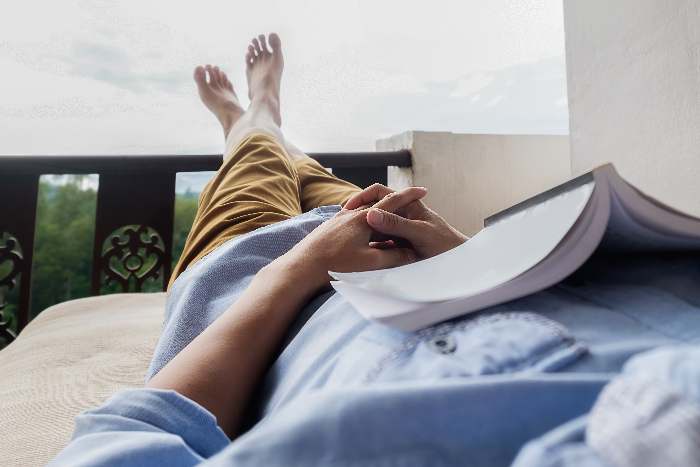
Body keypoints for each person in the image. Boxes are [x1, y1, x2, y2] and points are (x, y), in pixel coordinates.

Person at [49, 34, 700, 467]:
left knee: (255, 165)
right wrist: (475, 258)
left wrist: (298, 268)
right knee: (314, 172)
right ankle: (272, 131)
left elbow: (124, 441)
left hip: (249, 274)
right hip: (412, 242)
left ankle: (254, 121)